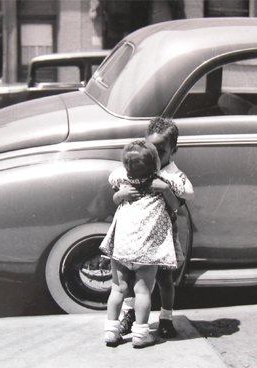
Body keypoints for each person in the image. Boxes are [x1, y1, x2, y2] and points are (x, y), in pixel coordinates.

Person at [100, 139, 185, 348]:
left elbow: (115, 197)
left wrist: (120, 194)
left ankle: (111, 332)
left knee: (117, 290)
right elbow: (175, 206)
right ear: (156, 164)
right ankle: (140, 334)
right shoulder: (164, 182)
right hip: (147, 250)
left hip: (122, 247)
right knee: (143, 291)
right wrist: (165, 190)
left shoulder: (122, 181)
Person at [114, 117, 194, 339]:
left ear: (173, 150)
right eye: (152, 149)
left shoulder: (174, 175)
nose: (156, 156)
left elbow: (184, 197)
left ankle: (166, 319)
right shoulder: (138, 165)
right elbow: (115, 179)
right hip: (136, 237)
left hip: (162, 238)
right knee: (131, 280)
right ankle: (130, 315)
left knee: (165, 280)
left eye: (162, 150)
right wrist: (121, 194)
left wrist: (166, 189)